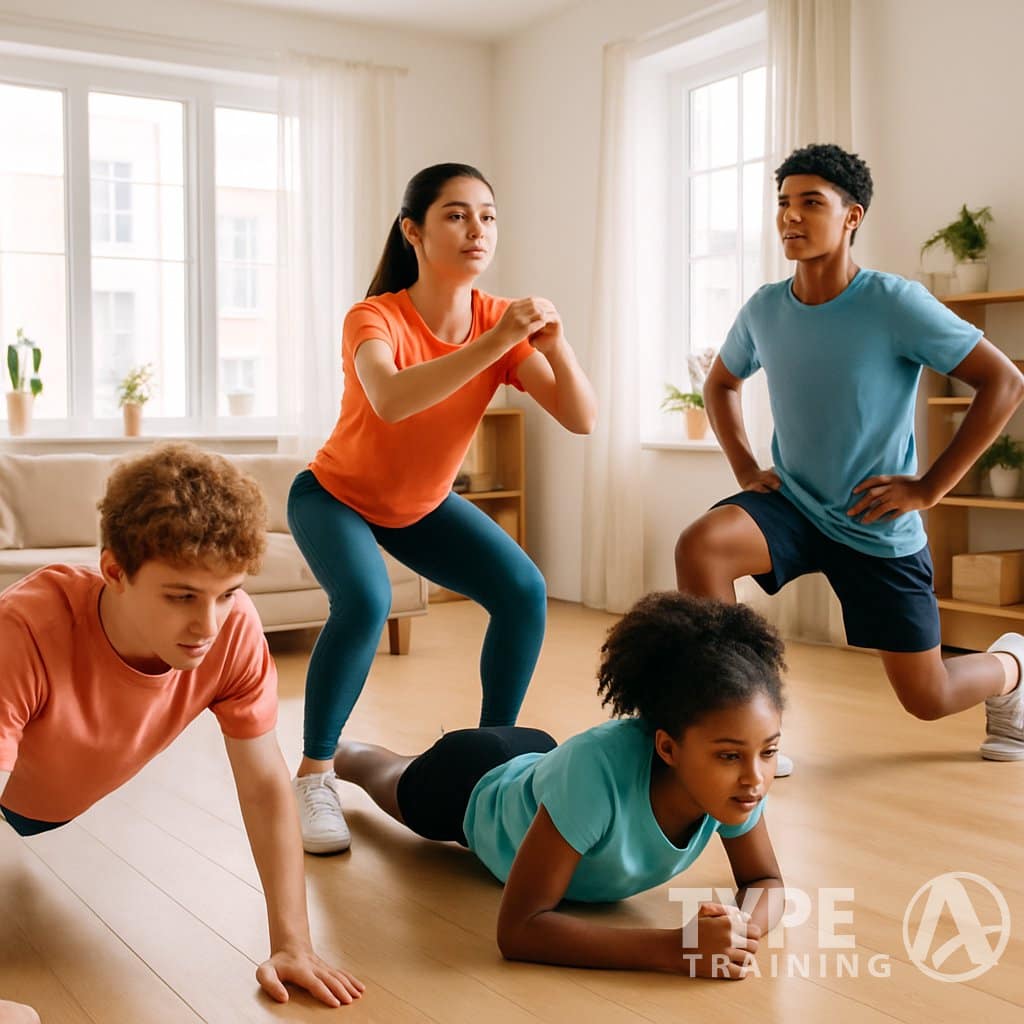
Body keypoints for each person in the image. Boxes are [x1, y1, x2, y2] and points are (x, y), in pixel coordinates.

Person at [675, 143, 1024, 770]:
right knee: (701, 546)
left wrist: (928, 489)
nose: (791, 217)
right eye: (783, 203)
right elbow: (721, 384)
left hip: (874, 520)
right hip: (796, 505)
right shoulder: (764, 308)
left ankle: (1012, 667)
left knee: (928, 695)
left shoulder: (894, 303)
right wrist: (747, 470)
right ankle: (747, 728)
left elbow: (1004, 383)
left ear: (852, 216)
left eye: (812, 203)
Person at [288, 162, 597, 853]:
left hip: (420, 507)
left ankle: (495, 759)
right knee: (366, 602)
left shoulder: (499, 321)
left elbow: (580, 418)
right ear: (413, 231)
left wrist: (555, 344)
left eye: (487, 215)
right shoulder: (376, 316)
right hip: (334, 496)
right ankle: (314, 775)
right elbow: (391, 399)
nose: (476, 229)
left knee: (522, 590)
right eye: (456, 214)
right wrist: (497, 342)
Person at [0, 444, 363, 1009]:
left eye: (227, 594)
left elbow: (266, 788)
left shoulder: (232, 630)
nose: (207, 624)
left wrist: (293, 943)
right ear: (115, 571)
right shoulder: (25, 630)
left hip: (40, 801)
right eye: (181, 597)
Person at [333, 593, 784, 977]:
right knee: (382, 772)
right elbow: (519, 929)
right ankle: (333, 753)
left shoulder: (738, 783)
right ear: (668, 749)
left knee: (551, 771)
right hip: (468, 783)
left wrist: (741, 929)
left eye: (768, 752)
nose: (755, 777)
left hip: (541, 764)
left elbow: (765, 878)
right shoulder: (598, 773)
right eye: (730, 755)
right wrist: (675, 950)